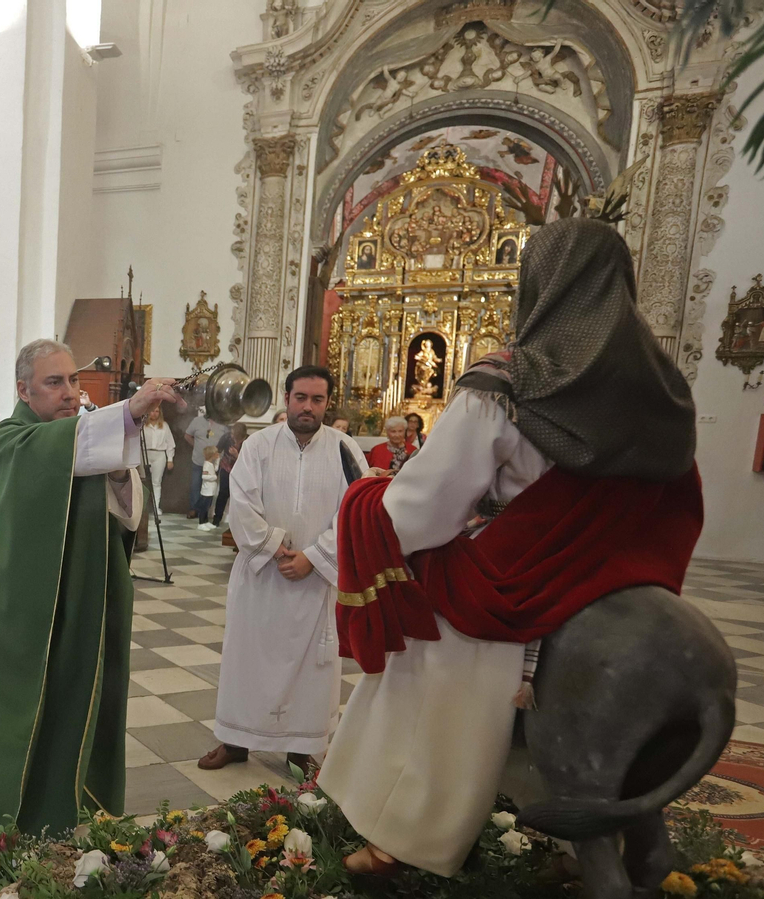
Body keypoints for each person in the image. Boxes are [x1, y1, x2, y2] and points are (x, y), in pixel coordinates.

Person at [320, 218, 703, 878]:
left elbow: (426, 508)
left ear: (539, 285)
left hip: (527, 568)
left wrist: (369, 503)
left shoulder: (509, 379)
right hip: (621, 572)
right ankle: (581, 837)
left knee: (438, 640)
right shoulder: (662, 386)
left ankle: (406, 833)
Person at [0, 340, 178, 861]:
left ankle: (58, 850)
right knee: (10, 742)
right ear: (23, 390)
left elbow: (128, 516)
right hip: (18, 632)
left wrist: (117, 470)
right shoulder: (9, 442)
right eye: (55, 382)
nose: (70, 393)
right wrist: (129, 412)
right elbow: (57, 451)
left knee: (68, 724)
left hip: (75, 621)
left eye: (74, 380)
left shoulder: (83, 440)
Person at [198, 366, 366, 775]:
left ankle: (302, 749)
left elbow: (356, 509)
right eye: (300, 397)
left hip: (314, 580)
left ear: (327, 403)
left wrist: (314, 556)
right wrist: (274, 547)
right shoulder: (259, 445)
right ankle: (235, 739)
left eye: (317, 399)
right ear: (287, 398)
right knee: (247, 660)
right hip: (262, 579)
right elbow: (241, 503)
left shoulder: (345, 449)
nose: (308, 407)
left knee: (311, 670)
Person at [182, 408, 226, 518]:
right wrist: (196, 446)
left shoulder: (223, 424)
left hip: (214, 462)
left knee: (210, 487)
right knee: (195, 485)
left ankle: (205, 511)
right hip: (198, 460)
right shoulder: (196, 421)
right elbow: (187, 435)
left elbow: (227, 439)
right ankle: (194, 509)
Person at [142, 405, 176, 515]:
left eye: (157, 411)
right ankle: (142, 507)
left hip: (159, 454)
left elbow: (170, 443)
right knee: (142, 481)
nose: (154, 413)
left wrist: (170, 459)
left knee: (156, 482)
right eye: (152, 411)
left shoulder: (164, 426)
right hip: (145, 454)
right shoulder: (143, 425)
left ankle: (156, 507)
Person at [211, 424, 247, 526]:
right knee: (223, 493)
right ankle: (216, 518)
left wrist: (236, 455)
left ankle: (239, 521)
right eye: (232, 435)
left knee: (239, 495)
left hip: (240, 470)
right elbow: (217, 450)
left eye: (234, 436)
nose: (232, 437)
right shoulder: (226, 437)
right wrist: (213, 464)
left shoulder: (248, 441)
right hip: (226, 467)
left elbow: (248, 460)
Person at [194, 446, 220, 529]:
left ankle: (205, 521)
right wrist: (214, 477)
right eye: (216, 453)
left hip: (211, 490)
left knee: (208, 506)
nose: (217, 454)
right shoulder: (206, 465)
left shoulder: (211, 464)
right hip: (207, 490)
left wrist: (218, 461)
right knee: (204, 507)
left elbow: (215, 469)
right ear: (212, 454)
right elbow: (204, 476)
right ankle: (201, 523)